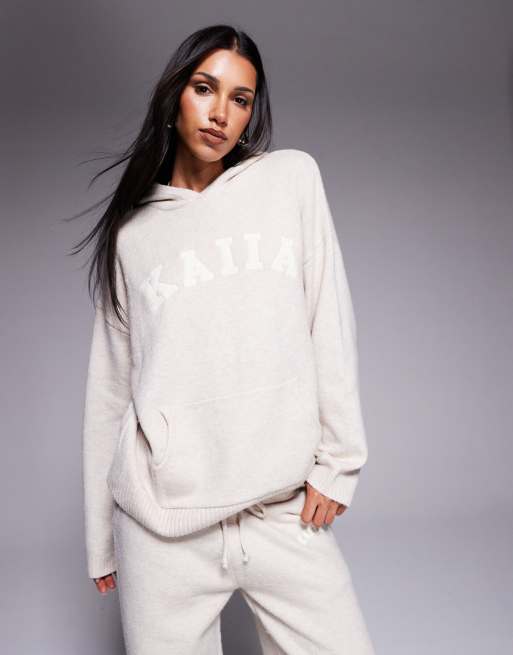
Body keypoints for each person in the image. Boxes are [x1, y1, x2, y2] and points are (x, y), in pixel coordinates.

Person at [77, 23, 376, 654]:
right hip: (163, 531)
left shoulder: (290, 180)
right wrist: (101, 538)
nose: (220, 113)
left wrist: (339, 463)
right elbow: (111, 388)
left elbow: (329, 319)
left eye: (240, 99)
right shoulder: (133, 235)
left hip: (280, 509)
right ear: (174, 98)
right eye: (204, 88)